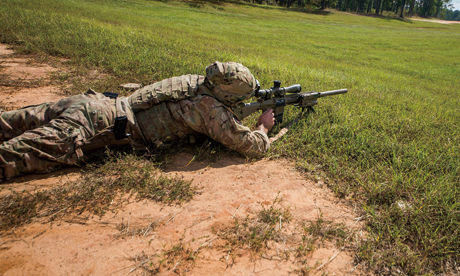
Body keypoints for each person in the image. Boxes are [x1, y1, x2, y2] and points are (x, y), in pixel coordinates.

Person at [0, 61, 275, 182]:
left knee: (7, 123)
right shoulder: (209, 109)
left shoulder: (194, 82)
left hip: (92, 103)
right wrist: (262, 129)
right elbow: (250, 146)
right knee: (10, 158)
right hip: (95, 126)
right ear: (225, 93)